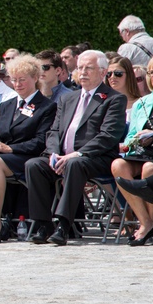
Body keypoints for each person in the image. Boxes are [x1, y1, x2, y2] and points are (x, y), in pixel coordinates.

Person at [24, 50, 126, 246]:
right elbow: (54, 131)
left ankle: (64, 225)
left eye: (89, 68)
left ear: (103, 72)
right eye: (80, 68)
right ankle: (43, 223)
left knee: (75, 164)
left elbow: (108, 136)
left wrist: (75, 154)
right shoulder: (68, 98)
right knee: (34, 165)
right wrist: (54, 153)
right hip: (63, 157)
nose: (83, 72)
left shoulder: (113, 99)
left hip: (96, 158)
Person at [0, 55, 56, 243]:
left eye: (22, 79)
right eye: (14, 79)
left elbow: (41, 141)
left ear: (35, 78)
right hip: (2, 155)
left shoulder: (47, 107)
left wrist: (9, 148)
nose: (17, 84)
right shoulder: (6, 105)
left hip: (26, 156)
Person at [112, 54, 153, 245]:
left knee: (149, 169)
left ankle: (151, 223)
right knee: (118, 164)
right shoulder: (142, 103)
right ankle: (146, 222)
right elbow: (131, 135)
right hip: (142, 151)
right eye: (152, 71)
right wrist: (132, 142)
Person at [106, 55, 142, 121]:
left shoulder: (142, 103)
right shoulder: (103, 103)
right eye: (109, 74)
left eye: (118, 73)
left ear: (129, 75)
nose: (112, 77)